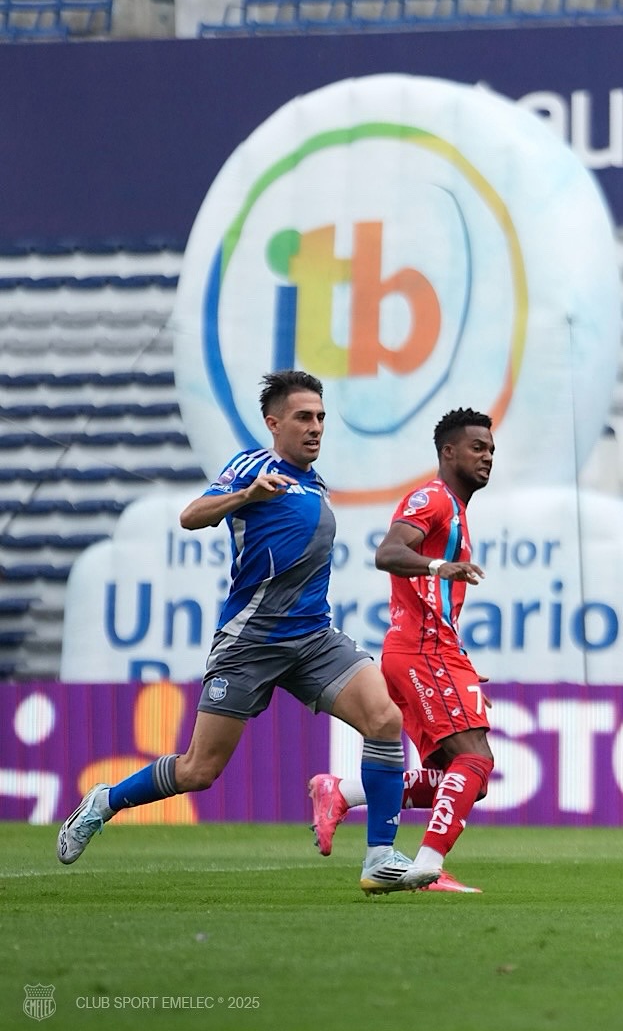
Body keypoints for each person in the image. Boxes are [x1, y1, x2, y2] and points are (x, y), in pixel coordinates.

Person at [57, 369, 412, 897]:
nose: (315, 428)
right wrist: (245, 495)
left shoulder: (315, 482)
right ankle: (104, 802)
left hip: (314, 638)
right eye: (303, 418)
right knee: (199, 770)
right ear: (273, 423)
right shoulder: (253, 466)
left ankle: (381, 857)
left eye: (320, 418)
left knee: (384, 718)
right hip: (251, 642)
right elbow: (191, 516)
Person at [308, 406, 495, 894]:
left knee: (463, 778)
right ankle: (426, 865)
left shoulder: (454, 510)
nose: (488, 456)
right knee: (474, 761)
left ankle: (342, 792)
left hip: (435, 651)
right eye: (478, 447)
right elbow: (387, 553)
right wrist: (438, 567)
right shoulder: (432, 499)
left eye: (492, 449)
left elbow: (436, 608)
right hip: (421, 651)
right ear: (447, 452)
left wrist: (466, 673)